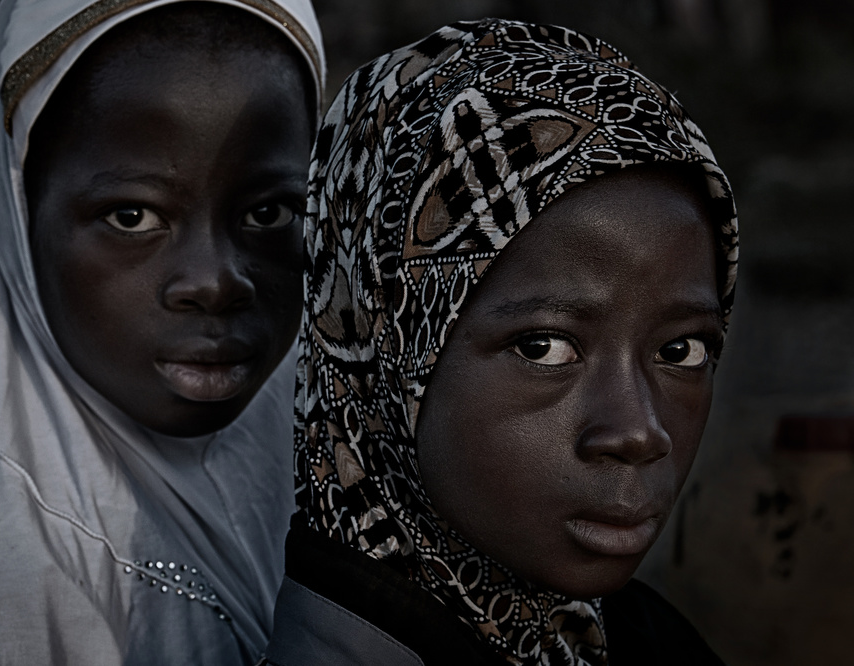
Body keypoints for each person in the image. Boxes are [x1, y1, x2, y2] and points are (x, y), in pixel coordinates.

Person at [0, 0, 324, 664]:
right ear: (20, 218)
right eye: (131, 216)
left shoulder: (325, 469)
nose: (217, 282)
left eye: (270, 211)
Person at [263, 19, 738, 666]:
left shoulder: (631, 640)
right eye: (544, 348)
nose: (638, 432)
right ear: (384, 342)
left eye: (681, 351)